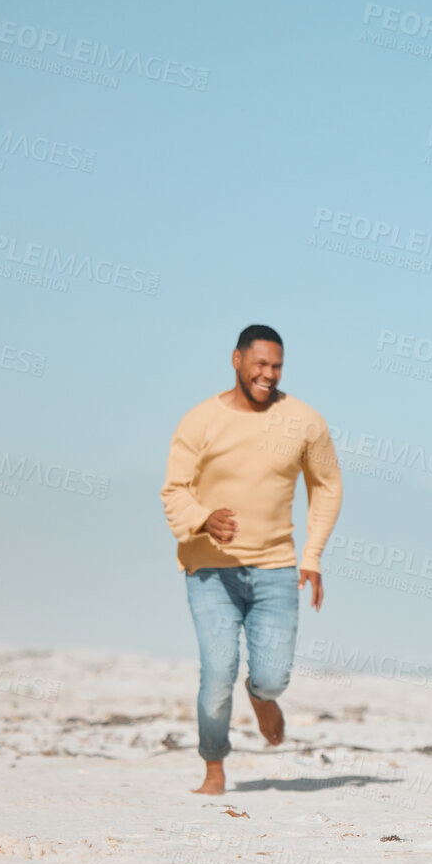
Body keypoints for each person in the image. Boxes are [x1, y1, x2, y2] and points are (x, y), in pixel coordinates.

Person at [160, 325, 342, 795]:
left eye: (277, 366)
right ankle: (214, 767)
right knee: (217, 672)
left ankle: (262, 698)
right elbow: (174, 491)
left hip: (275, 569)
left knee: (272, 676)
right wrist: (202, 520)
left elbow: (326, 486)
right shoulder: (199, 421)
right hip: (209, 570)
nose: (269, 374)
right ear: (236, 360)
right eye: (260, 364)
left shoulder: (305, 421)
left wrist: (313, 555)